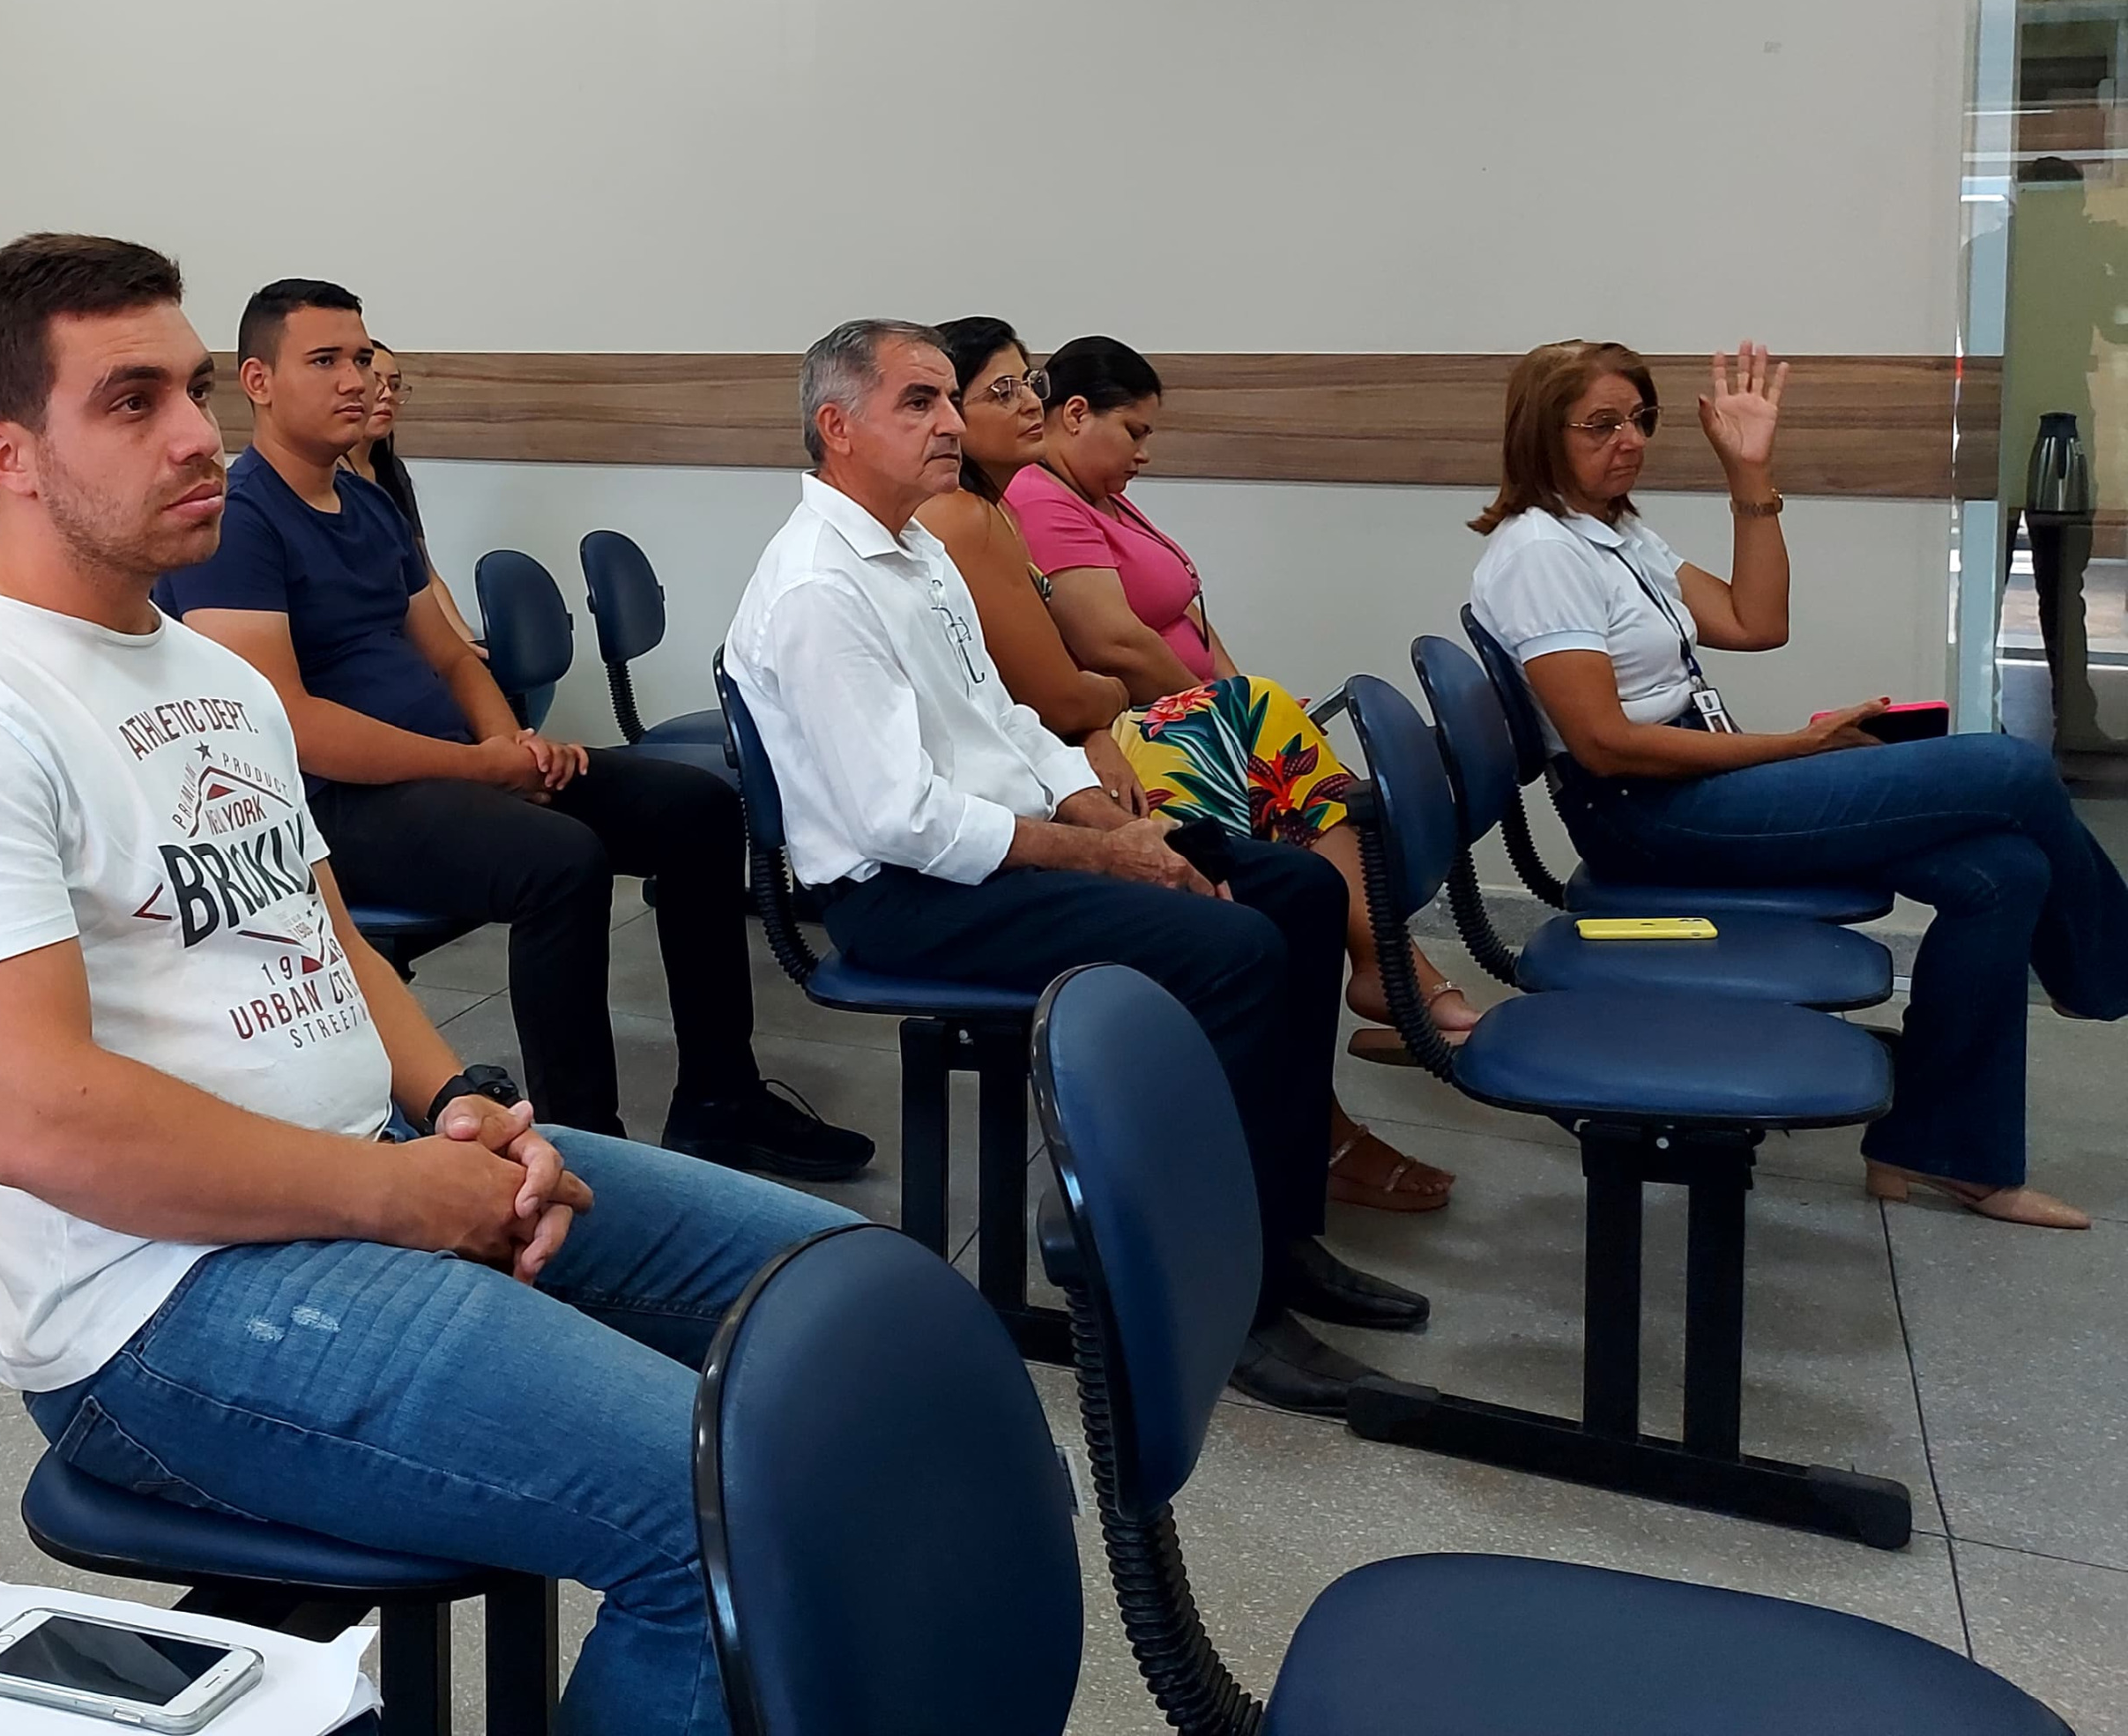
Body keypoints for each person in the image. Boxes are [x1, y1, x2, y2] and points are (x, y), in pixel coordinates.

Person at [0, 233, 858, 1736]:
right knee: (721, 1504)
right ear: (8, 454)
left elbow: (329, 938)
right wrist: (396, 1198)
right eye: (129, 399)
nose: (195, 433)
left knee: (834, 1294)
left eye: (188, 387)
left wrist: (457, 1105)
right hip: (151, 1302)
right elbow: (40, 1121)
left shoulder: (214, 679)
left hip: (364, 1166)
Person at [724, 318, 1424, 1412]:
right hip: (901, 897)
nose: (951, 422)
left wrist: (1103, 815)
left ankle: (1278, 1232)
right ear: (835, 427)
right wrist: (1103, 857)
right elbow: (899, 820)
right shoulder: (820, 587)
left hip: (991, 847)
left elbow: (1006, 724)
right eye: (919, 402)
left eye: (951, 399)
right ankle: (1223, 1303)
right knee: (1235, 951)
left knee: (1292, 888)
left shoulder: (915, 548)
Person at [167, 279, 866, 1178]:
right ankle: (588, 1146)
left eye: (361, 356)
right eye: (324, 360)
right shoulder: (241, 519)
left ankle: (719, 1100)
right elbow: (288, 727)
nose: (355, 377)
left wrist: (513, 747)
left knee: (695, 810)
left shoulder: (369, 503)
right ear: (256, 381)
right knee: (556, 861)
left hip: (449, 770)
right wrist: (481, 767)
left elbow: (455, 656)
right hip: (332, 807)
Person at [1471, 338, 2128, 1231]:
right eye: (1598, 424)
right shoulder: (1537, 555)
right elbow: (1605, 746)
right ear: (1537, 435)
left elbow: (1755, 621)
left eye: (1637, 420)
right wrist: (1798, 749)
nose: (1626, 440)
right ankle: (2102, 971)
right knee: (2010, 767)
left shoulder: (1615, 534)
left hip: (1697, 789)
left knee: (2001, 870)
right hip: (1648, 815)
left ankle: (1937, 1150)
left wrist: (1750, 473)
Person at [934, 319, 1470, 1210]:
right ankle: (1349, 1046)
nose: (1026, 400)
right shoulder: (998, 508)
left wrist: (1192, 708)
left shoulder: (1030, 504)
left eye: (1026, 382)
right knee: (1259, 766)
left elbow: (1127, 647)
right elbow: (1074, 679)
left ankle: (1330, 1080)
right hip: (1067, 769)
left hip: (1099, 741)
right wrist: (1164, 714)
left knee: (1266, 751)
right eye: (1003, 390)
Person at [347, 339, 482, 654]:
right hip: (382, 636)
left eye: (395, 385)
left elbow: (427, 576)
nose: (386, 395)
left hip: (418, 624)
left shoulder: (392, 471)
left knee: (511, 675)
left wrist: (467, 642)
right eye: (375, 381)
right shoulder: (334, 477)